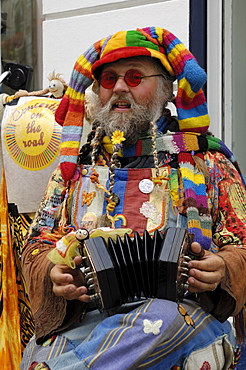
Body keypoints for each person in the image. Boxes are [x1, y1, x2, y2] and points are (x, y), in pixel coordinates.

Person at [20, 27, 246, 370]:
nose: (121, 87)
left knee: (159, 317)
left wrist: (224, 269)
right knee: (42, 354)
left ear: (167, 87)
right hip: (91, 322)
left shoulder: (207, 162)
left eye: (135, 76)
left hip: (180, 317)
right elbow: (37, 243)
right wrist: (55, 273)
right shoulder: (76, 168)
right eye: (109, 79)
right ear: (96, 90)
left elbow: (242, 243)